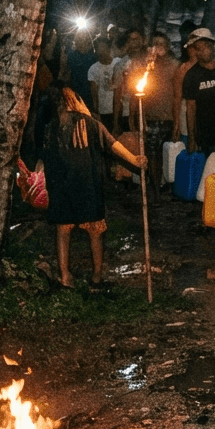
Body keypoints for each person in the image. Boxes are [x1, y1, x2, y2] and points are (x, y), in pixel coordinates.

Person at [41, 85, 146, 289]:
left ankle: (65, 276)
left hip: (61, 186)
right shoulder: (91, 124)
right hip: (87, 185)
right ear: (75, 102)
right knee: (95, 230)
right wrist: (135, 160)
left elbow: (43, 157)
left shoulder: (51, 127)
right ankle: (96, 278)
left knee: (63, 230)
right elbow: (113, 145)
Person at [134, 31, 178, 190]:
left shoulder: (175, 65)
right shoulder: (146, 66)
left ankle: (167, 184)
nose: (158, 48)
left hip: (169, 116)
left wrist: (177, 120)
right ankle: (156, 188)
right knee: (152, 154)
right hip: (151, 115)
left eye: (161, 44)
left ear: (167, 46)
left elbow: (178, 96)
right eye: (155, 44)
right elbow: (139, 93)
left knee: (168, 153)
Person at [181, 27, 215, 155]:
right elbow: (190, 108)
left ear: (212, 45)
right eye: (195, 49)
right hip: (205, 136)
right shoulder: (192, 76)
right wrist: (191, 138)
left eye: (201, 47)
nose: (198, 52)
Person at [87, 36, 117, 125]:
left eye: (104, 48)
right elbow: (94, 92)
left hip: (119, 108)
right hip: (104, 110)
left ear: (108, 48)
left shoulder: (117, 63)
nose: (102, 52)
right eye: (99, 49)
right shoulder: (93, 69)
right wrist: (97, 111)